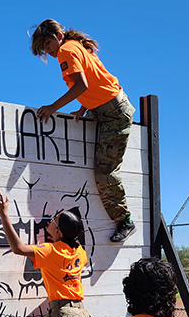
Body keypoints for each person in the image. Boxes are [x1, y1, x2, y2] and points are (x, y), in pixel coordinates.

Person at [30, 20, 137, 243]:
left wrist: (52, 108)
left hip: (113, 115)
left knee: (105, 171)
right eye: (44, 48)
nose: (49, 50)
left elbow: (82, 85)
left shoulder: (67, 50)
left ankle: (124, 220)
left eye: (48, 43)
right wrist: (83, 107)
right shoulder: (76, 46)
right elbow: (97, 80)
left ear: (59, 35)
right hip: (106, 108)